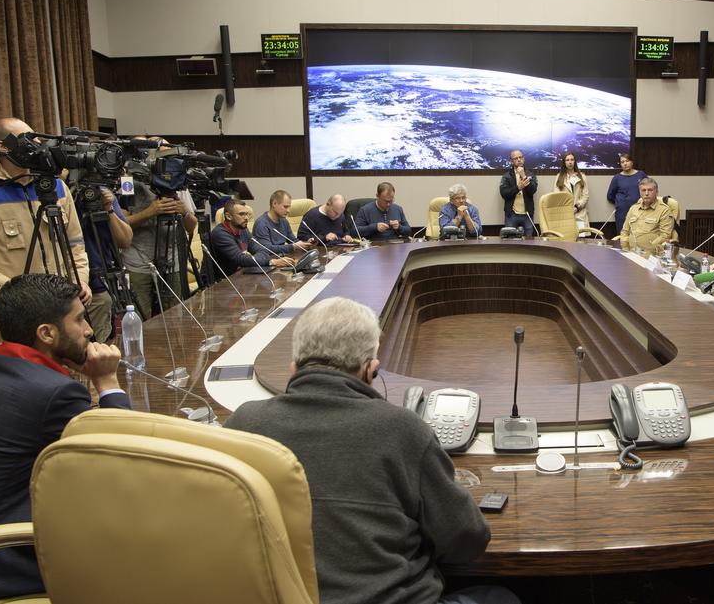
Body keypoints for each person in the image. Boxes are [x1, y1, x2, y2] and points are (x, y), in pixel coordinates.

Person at [224, 297, 518, 604]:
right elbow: (466, 543)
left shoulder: (243, 423)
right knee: (501, 597)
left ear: (293, 366)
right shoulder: (403, 430)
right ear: (371, 370)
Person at [0, 273, 132, 603]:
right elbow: (123, 463)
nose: (89, 330)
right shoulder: (55, 393)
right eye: (78, 320)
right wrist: (107, 382)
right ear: (46, 333)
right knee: (140, 533)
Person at [0, 117, 92, 342]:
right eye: (27, 138)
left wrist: (81, 279)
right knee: (16, 373)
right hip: (15, 316)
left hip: (62, 309)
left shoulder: (56, 187)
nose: (36, 142)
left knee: (65, 374)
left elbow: (75, 243)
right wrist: (16, 293)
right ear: (3, 146)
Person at [120, 138, 197, 319]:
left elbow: (191, 226)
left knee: (175, 315)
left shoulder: (177, 180)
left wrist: (184, 212)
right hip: (139, 262)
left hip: (172, 262)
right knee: (141, 318)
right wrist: (150, 212)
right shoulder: (128, 181)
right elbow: (121, 224)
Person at [72, 183, 133, 340]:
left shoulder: (101, 193)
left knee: (98, 344)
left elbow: (125, 240)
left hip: (98, 287)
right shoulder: (62, 191)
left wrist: (109, 208)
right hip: (65, 288)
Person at [210, 199, 293, 277]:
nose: (246, 218)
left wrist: (259, 257)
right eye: (241, 214)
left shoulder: (243, 229)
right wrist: (271, 262)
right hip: (221, 282)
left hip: (241, 275)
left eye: (247, 214)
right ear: (228, 216)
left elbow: (261, 249)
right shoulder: (220, 234)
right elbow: (240, 259)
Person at [617, 178, 675, 255]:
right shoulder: (633, 208)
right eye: (643, 190)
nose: (646, 193)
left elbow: (665, 236)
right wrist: (625, 249)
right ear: (640, 192)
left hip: (652, 256)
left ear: (656, 192)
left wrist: (649, 250)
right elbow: (625, 231)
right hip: (631, 253)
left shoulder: (664, 210)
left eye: (650, 190)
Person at [252, 190, 314, 254]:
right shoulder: (261, 224)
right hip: (270, 261)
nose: (288, 210)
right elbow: (267, 249)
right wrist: (293, 247)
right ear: (274, 204)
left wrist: (305, 243)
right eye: (285, 207)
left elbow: (293, 241)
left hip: (284, 257)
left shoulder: (284, 221)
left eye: (289, 207)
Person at [498, 149, 537, 234]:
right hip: (511, 214)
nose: (519, 160)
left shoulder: (530, 174)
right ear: (511, 161)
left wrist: (523, 175)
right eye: (516, 158)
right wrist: (518, 188)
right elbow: (504, 193)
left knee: (529, 242)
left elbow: (533, 190)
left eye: (520, 157)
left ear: (524, 159)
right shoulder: (507, 176)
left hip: (527, 214)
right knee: (510, 242)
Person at [605, 153, 646, 233]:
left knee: (640, 234)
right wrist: (620, 202)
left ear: (632, 162)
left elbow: (648, 189)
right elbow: (610, 195)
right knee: (623, 235)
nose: (625, 163)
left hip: (640, 210)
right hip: (622, 212)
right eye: (622, 162)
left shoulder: (641, 175)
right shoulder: (617, 178)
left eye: (627, 161)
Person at [553, 151, 590, 228]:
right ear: (564, 162)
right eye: (567, 160)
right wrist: (568, 209)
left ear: (574, 161)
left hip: (580, 213)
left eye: (572, 160)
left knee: (581, 239)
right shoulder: (559, 177)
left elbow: (585, 196)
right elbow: (556, 196)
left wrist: (576, 207)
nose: (570, 162)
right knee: (567, 238)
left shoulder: (582, 176)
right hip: (565, 213)